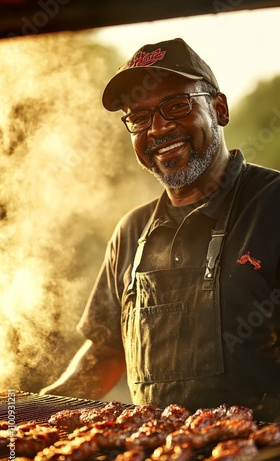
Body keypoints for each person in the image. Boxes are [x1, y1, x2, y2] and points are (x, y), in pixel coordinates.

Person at [41, 38, 280, 422]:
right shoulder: (131, 230)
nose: (158, 128)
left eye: (176, 106)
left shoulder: (272, 205)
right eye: (138, 117)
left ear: (218, 108)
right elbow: (106, 352)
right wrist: (30, 411)